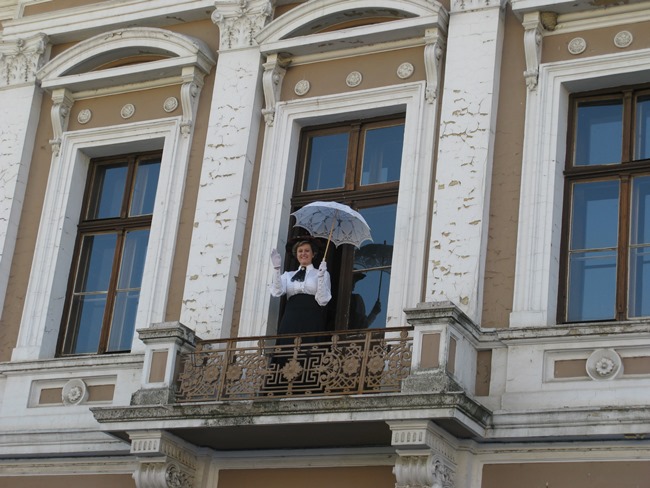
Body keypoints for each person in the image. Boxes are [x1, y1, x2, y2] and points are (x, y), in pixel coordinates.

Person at [269, 239, 332, 341]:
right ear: (296, 254)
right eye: (300, 251)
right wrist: (276, 269)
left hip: (312, 316)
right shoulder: (288, 275)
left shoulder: (322, 273)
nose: (303, 253)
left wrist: (320, 277)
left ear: (313, 254)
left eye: (307, 251)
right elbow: (277, 292)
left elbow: (323, 300)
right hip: (291, 317)